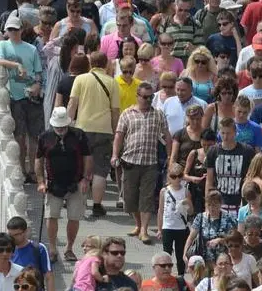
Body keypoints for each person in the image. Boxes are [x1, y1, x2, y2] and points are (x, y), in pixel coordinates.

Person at [112, 82, 172, 244]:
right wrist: (115, 155)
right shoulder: (127, 113)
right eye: (144, 97)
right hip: (129, 160)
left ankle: (144, 230)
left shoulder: (158, 114)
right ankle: (138, 225)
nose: (147, 100)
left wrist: (169, 156)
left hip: (150, 163)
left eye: (150, 97)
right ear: (137, 96)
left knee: (146, 198)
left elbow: (166, 135)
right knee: (130, 198)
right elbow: (119, 135)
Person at [67, 51, 120, 217]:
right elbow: (115, 111)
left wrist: (68, 125)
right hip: (104, 130)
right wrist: (115, 132)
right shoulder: (112, 83)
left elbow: (72, 104)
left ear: (91, 64)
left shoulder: (80, 79)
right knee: (100, 170)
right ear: (105, 65)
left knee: (80, 167)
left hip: (83, 128)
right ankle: (97, 205)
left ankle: (80, 204)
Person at [35, 107, 91, 263]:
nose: (60, 129)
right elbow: (38, 159)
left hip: (76, 181)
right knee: (51, 215)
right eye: (58, 127)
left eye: (63, 127)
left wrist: (86, 179)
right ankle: (52, 249)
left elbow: (87, 157)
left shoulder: (79, 135)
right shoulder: (44, 137)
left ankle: (69, 248)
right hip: (53, 183)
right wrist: (40, 181)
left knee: (74, 217)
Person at [0, 16, 43, 183]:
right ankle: (22, 170)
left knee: (34, 137)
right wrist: (16, 65)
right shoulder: (3, 45)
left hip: (31, 96)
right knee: (20, 137)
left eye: (16, 29)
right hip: (15, 97)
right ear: (6, 31)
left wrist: (37, 85)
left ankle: (33, 171)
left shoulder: (31, 49)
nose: (13, 32)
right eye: (10, 29)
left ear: (21, 30)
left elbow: (38, 73)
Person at [205, 118, 256, 215]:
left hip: (240, 202)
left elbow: (252, 177)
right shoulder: (213, 151)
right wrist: (207, 204)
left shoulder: (246, 151)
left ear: (235, 132)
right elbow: (209, 180)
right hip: (219, 201)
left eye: (228, 133)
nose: (225, 136)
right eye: (222, 133)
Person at [156, 164, 193, 276]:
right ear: (168, 176)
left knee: (180, 253)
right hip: (167, 226)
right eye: (173, 176)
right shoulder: (164, 191)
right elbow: (160, 210)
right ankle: (165, 273)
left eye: (179, 176)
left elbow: (191, 212)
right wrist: (159, 228)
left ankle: (181, 275)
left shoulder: (186, 192)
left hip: (181, 227)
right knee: (166, 252)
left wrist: (188, 203)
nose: (177, 179)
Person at [183, 191, 237, 265]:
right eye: (209, 205)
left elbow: (234, 239)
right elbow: (191, 237)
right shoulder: (200, 217)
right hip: (203, 261)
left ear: (220, 204)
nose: (211, 208)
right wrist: (185, 254)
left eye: (214, 205)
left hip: (222, 262)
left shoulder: (228, 218)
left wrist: (220, 240)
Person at [6, 217, 53, 291]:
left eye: (16, 235)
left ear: (26, 231)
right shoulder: (6, 250)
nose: (13, 238)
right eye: (10, 235)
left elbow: (49, 276)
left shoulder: (39, 248)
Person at [157, 0, 205, 64]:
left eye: (186, 10)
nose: (183, 13)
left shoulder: (195, 24)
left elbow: (201, 49)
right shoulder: (165, 23)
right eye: (180, 10)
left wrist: (194, 48)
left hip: (189, 64)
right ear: (175, 6)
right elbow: (158, 46)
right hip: (170, 63)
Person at [184, 129, 217, 215]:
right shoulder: (194, 153)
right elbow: (184, 175)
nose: (206, 147)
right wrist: (193, 178)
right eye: (204, 144)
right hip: (195, 192)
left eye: (209, 145)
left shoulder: (217, 154)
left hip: (212, 191)